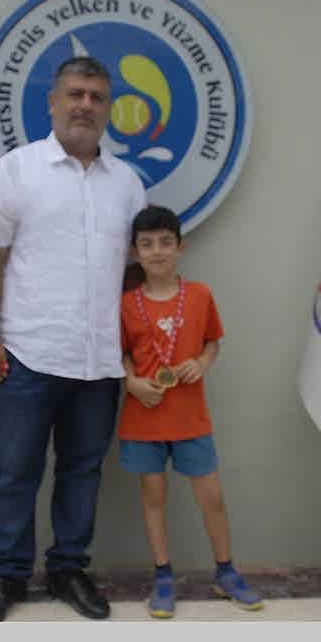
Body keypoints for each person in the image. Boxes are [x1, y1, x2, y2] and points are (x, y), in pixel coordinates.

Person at [0, 56, 146, 622]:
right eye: (75, 94)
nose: (85, 105)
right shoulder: (15, 172)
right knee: (15, 473)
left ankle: (68, 569)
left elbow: (134, 272)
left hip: (98, 362)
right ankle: (8, 575)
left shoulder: (128, 184)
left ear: (108, 108)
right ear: (52, 102)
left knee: (82, 471)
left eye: (96, 97)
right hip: (26, 356)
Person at [119, 205, 264, 619]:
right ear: (135, 252)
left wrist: (201, 363)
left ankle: (226, 571)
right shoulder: (126, 304)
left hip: (190, 418)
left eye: (166, 242)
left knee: (212, 497)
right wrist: (131, 382)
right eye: (148, 244)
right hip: (144, 418)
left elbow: (213, 343)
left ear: (180, 247)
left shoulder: (199, 295)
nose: (157, 251)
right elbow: (122, 354)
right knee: (154, 496)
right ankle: (163, 575)